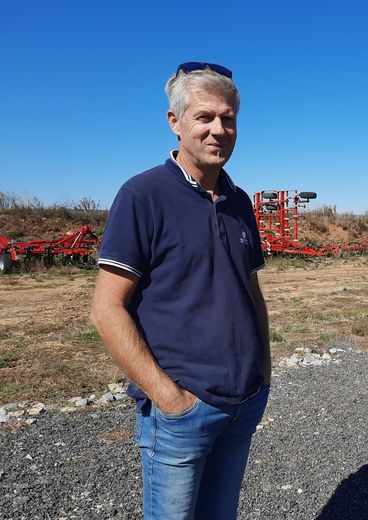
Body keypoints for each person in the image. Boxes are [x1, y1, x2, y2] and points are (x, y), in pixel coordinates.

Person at [90, 62, 271, 519]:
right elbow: (107, 309)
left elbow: (251, 290)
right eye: (204, 117)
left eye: (227, 118)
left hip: (243, 402)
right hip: (183, 411)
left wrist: (264, 368)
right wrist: (170, 400)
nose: (218, 130)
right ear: (175, 123)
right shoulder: (143, 195)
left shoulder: (239, 200)